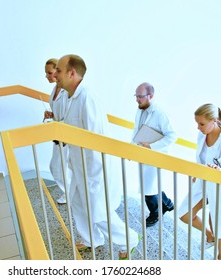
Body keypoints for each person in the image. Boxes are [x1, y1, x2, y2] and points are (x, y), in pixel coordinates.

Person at [55, 54, 139, 259]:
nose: (55, 75)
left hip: (93, 168)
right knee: (76, 201)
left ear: (72, 73)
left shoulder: (87, 98)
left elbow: (96, 138)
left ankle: (128, 239)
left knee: (98, 211)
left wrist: (93, 175)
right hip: (78, 164)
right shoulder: (68, 97)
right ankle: (92, 239)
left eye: (58, 70)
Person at [178, 103, 221, 260]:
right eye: (197, 123)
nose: (198, 127)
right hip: (203, 183)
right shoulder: (202, 135)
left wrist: (218, 171)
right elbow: (200, 157)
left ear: (214, 121)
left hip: (219, 187)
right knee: (184, 214)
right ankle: (209, 236)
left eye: (201, 124)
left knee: (219, 223)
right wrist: (198, 171)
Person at [132, 82, 177, 227]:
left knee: (148, 188)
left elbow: (172, 136)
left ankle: (155, 213)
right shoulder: (140, 110)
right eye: (136, 96)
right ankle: (167, 203)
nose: (138, 100)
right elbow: (137, 130)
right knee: (149, 184)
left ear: (150, 96)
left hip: (156, 155)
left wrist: (152, 146)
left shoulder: (160, 113)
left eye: (140, 96)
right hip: (143, 154)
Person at [43, 58, 70, 204]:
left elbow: (70, 114)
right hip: (57, 134)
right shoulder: (55, 89)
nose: (47, 76)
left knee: (61, 167)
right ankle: (69, 192)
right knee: (55, 167)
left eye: (49, 72)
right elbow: (59, 112)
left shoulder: (66, 91)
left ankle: (70, 193)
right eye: (46, 73)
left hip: (65, 135)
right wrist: (51, 114)